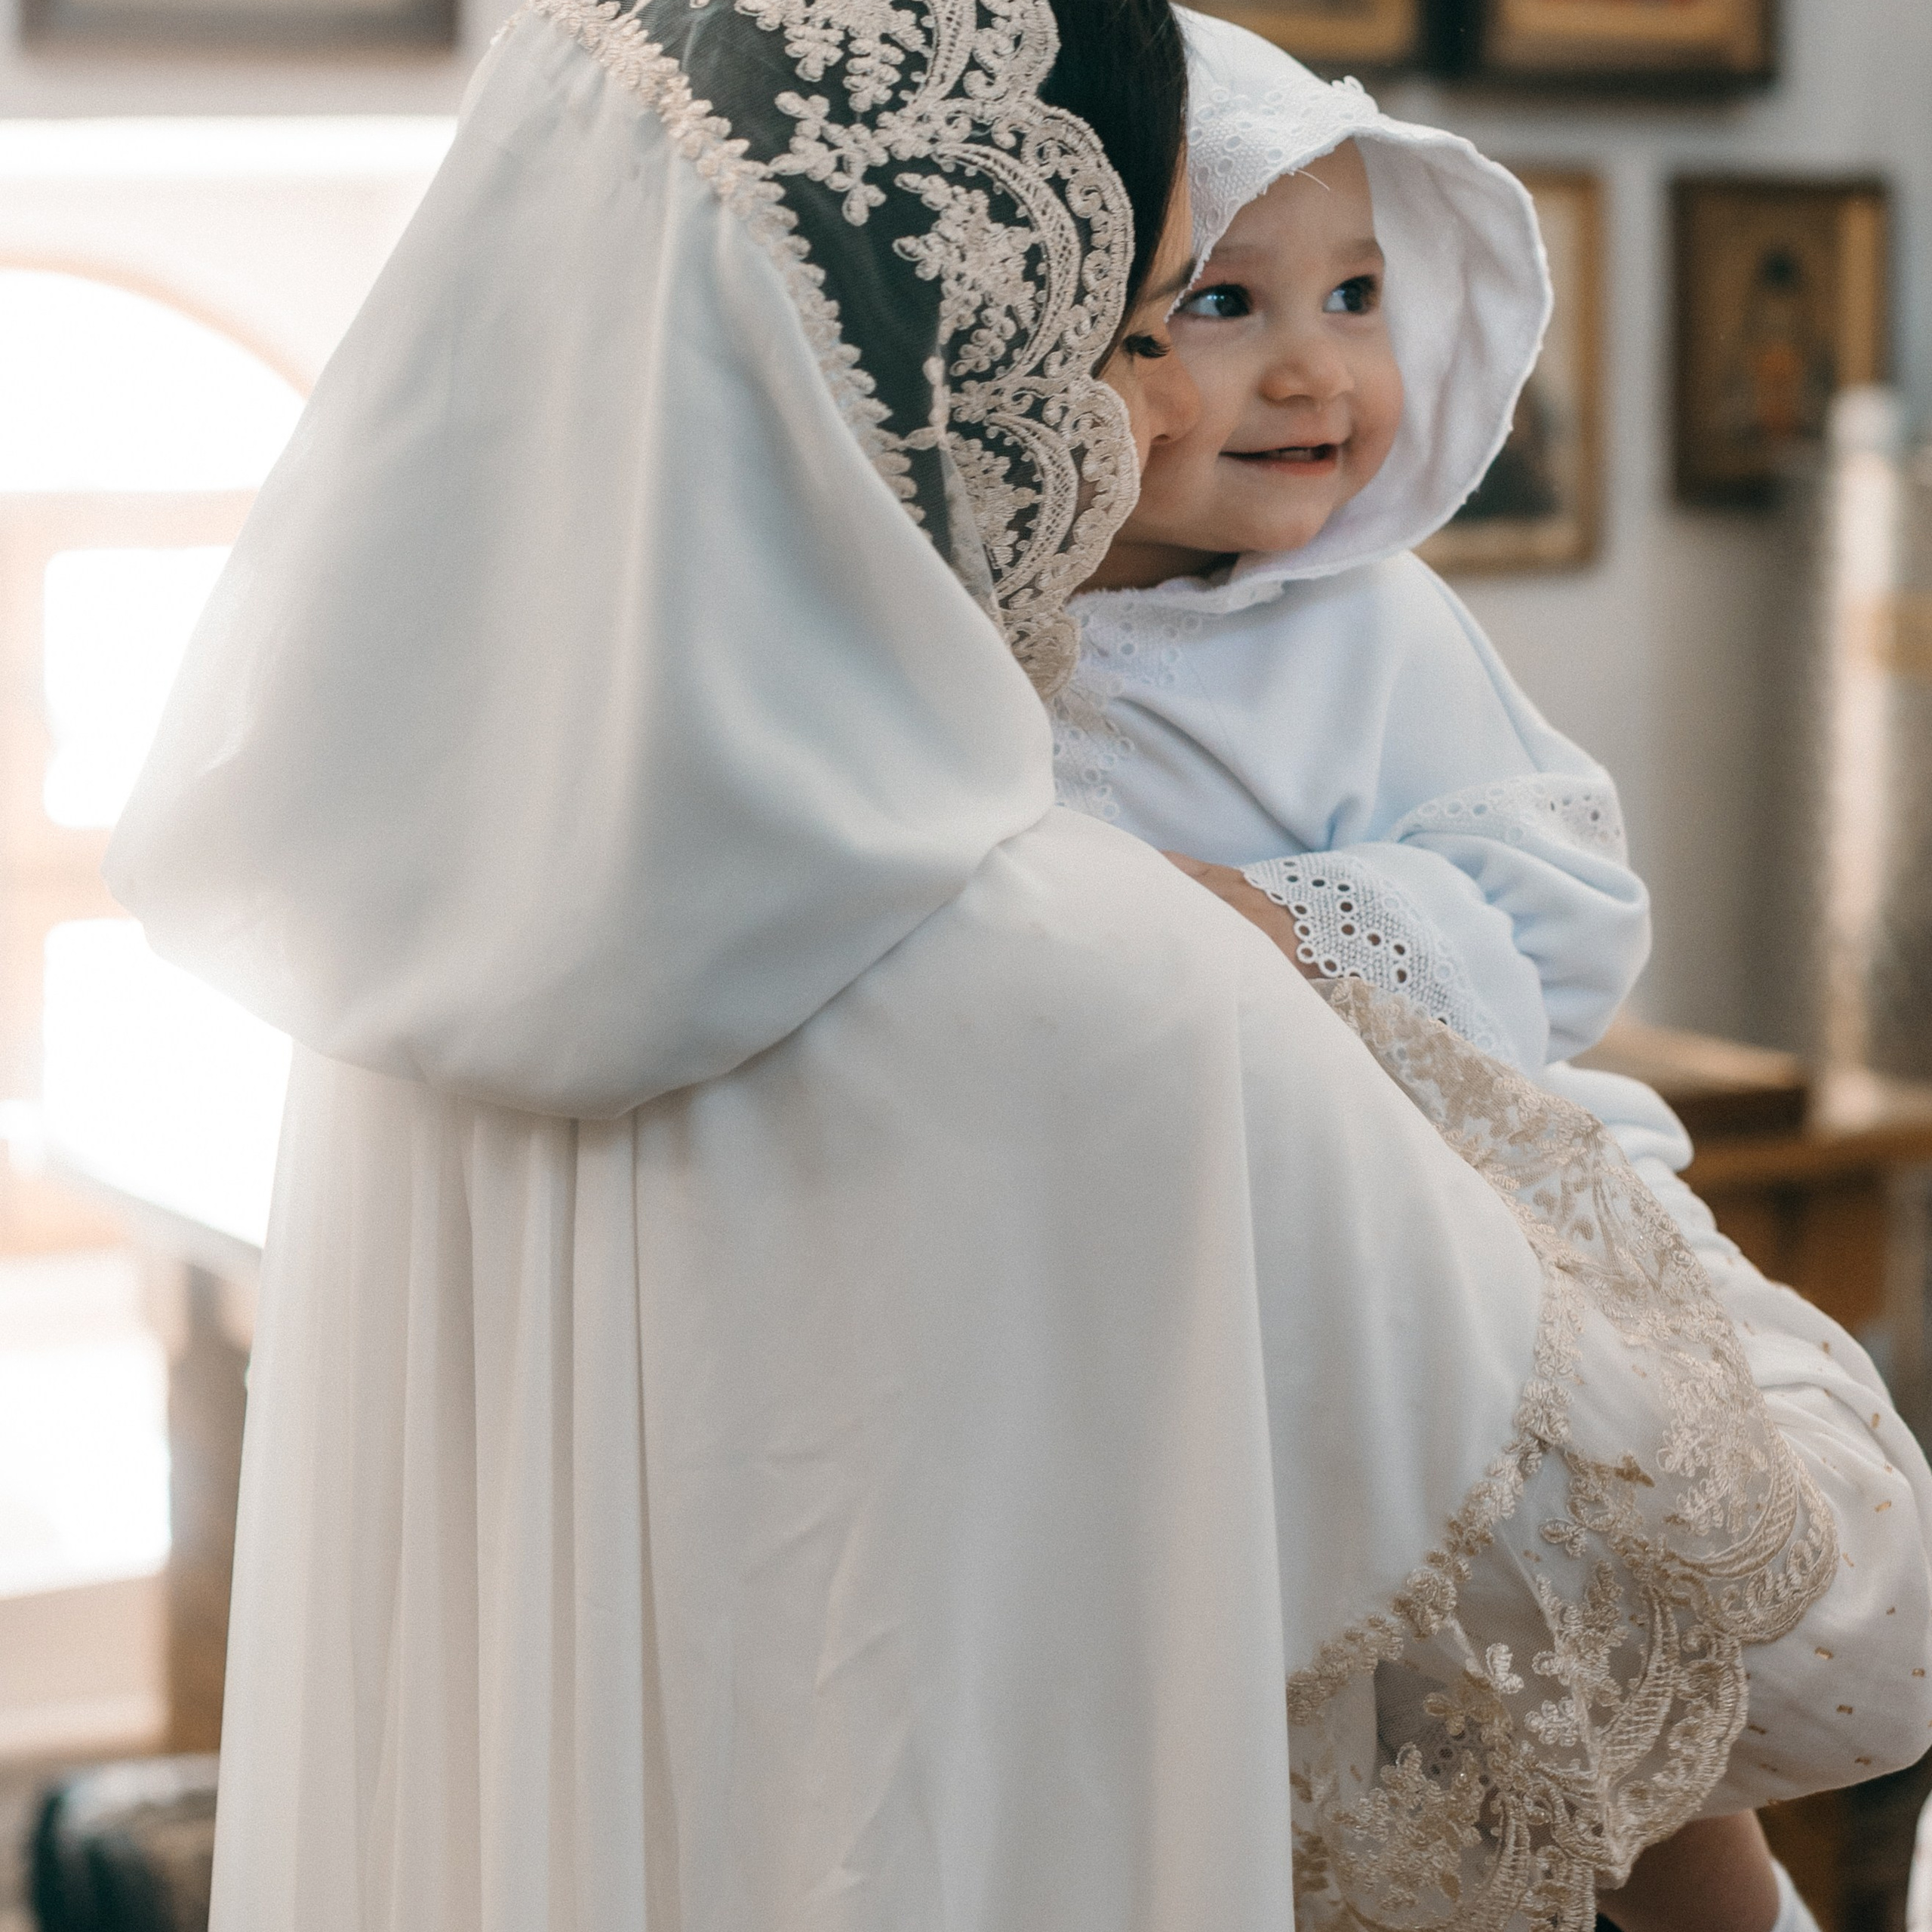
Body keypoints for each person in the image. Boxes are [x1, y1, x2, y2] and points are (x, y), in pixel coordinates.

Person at [102, 1, 1931, 1927]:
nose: (1143, 413)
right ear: (970, 358)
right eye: (1137, 321)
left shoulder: (411, 945)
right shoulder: (1093, 973)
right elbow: (1819, 1622)